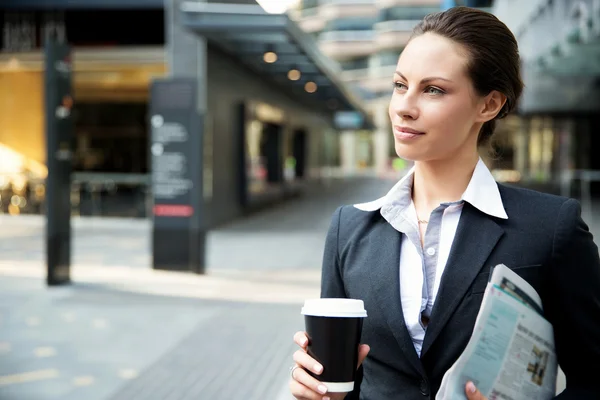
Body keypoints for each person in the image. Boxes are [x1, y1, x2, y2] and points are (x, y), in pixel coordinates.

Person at [289, 6, 600, 400]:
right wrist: (319, 390)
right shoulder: (348, 229)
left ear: (488, 105)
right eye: (400, 85)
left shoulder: (551, 227)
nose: (404, 106)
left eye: (433, 89)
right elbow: (344, 382)